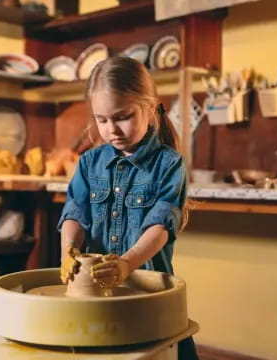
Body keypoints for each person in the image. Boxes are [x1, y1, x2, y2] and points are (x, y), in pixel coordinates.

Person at [58, 56, 198, 359]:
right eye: (102, 119)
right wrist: (68, 249)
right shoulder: (88, 163)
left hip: (148, 288)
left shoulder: (169, 164)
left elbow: (159, 227)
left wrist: (126, 264)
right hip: (94, 292)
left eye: (122, 117)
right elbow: (75, 213)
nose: (112, 130)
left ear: (149, 107)